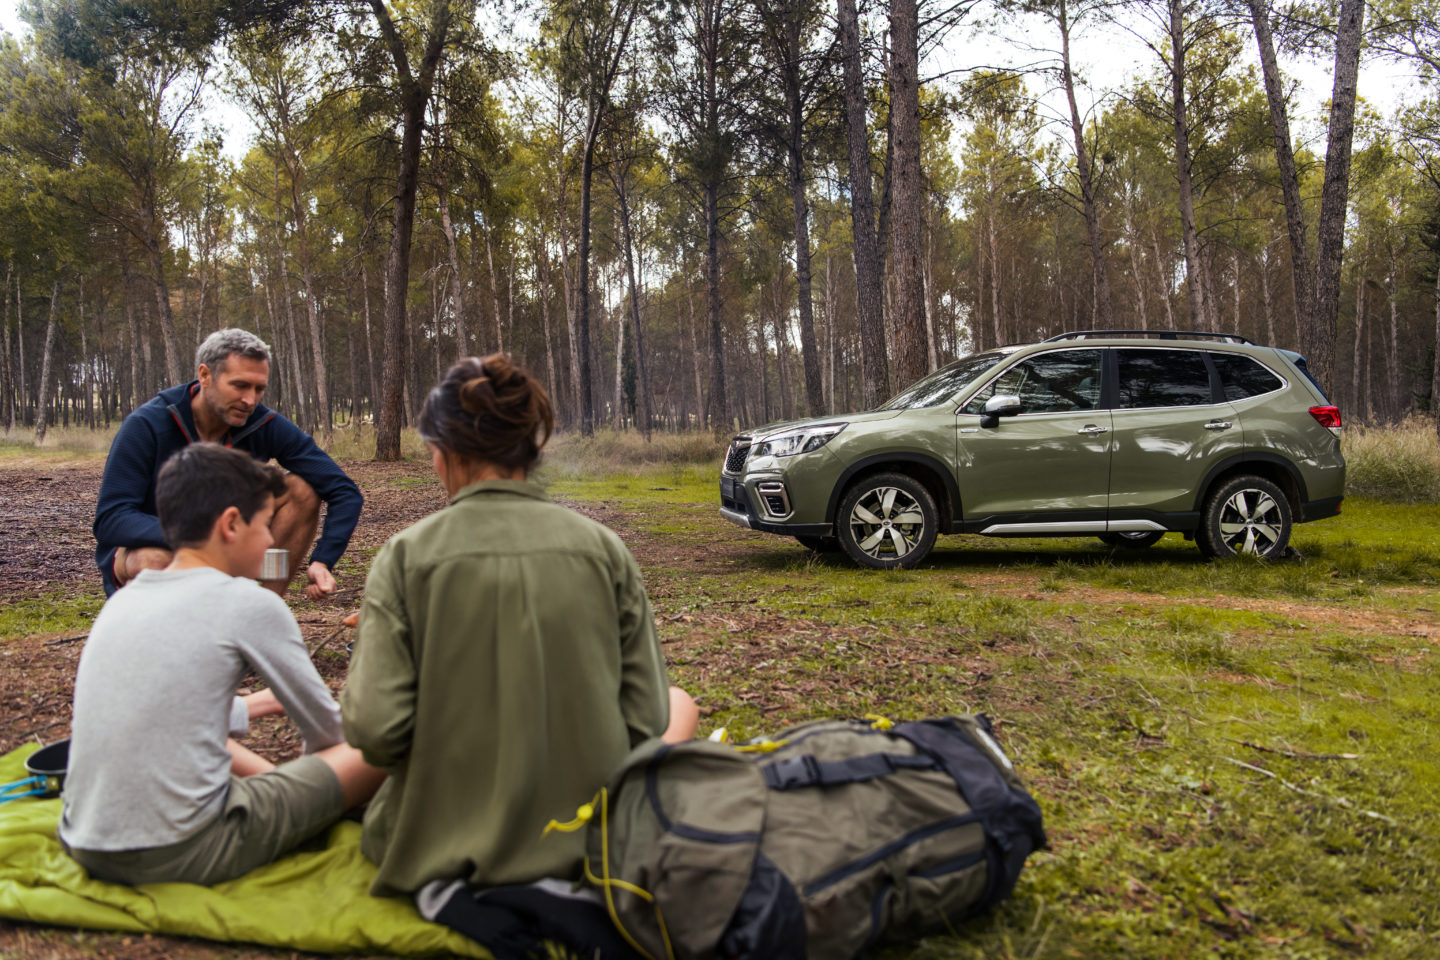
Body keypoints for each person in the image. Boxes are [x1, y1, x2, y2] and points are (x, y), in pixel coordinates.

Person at [341, 354, 699, 898]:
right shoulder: (603, 549)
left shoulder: (405, 558)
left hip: (433, 852)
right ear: (530, 448)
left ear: (445, 453)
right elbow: (648, 717)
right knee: (680, 700)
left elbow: (374, 729)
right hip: (591, 848)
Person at [61, 444, 386, 886]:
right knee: (386, 745)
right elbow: (327, 734)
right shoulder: (249, 603)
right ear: (231, 523)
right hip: (182, 851)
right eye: (266, 524)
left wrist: (248, 708)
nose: (273, 540)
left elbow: (166, 711)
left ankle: (287, 794)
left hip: (85, 840)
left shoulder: (125, 600)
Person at [94, 328, 363, 599]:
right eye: (240, 385)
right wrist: (204, 538)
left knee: (302, 488)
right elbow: (112, 519)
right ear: (205, 375)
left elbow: (344, 491)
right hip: (161, 546)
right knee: (154, 561)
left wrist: (322, 560)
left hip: (230, 544)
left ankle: (265, 607)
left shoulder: (262, 423)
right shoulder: (148, 425)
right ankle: (172, 630)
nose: (250, 400)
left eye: (259, 389)